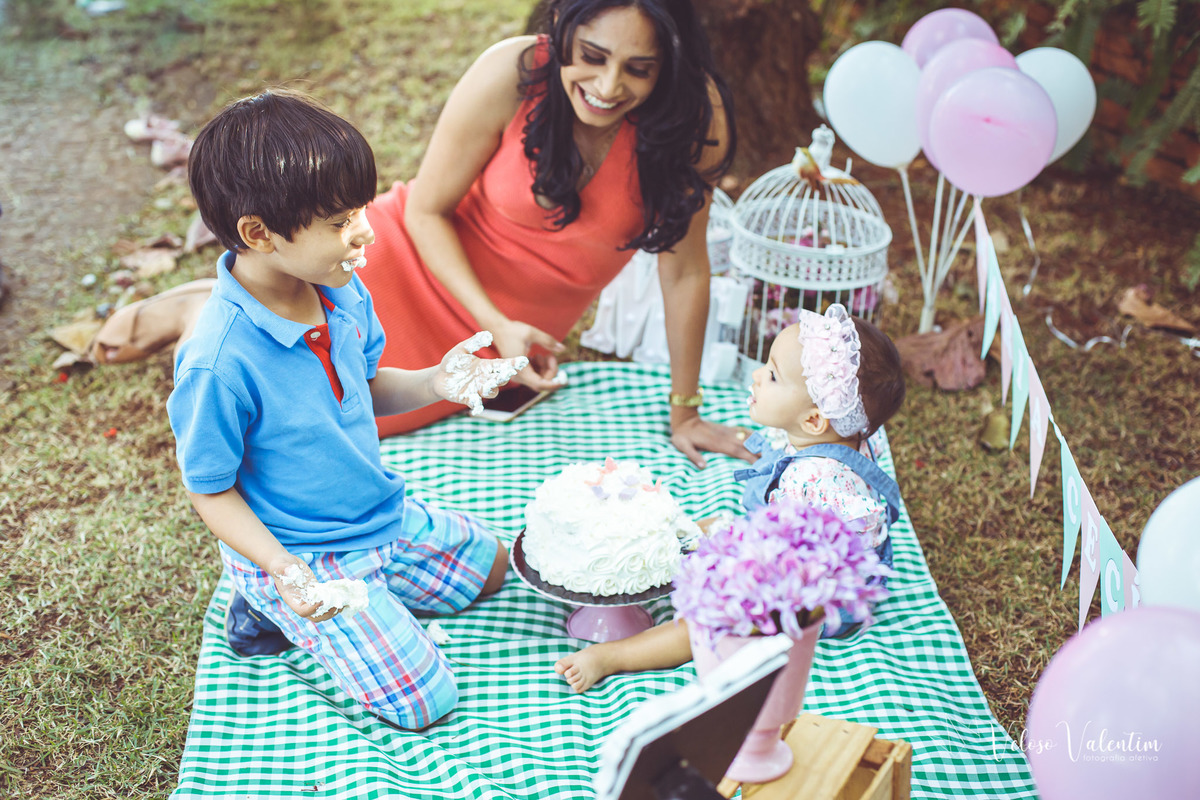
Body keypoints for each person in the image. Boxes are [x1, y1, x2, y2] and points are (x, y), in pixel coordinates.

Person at [92, 0, 752, 469]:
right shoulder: (515, 72)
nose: (608, 86)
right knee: (294, 382)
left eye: (639, 69)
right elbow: (426, 211)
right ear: (561, 29)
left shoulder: (695, 120)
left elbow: (685, 270)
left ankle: (215, 302)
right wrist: (494, 321)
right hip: (411, 262)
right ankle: (202, 304)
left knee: (370, 407)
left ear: (669, 61)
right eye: (592, 57)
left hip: (504, 331)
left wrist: (685, 410)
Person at [168, 88, 527, 730]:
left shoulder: (341, 289)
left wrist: (436, 382)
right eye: (339, 222)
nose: (365, 230)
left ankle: (372, 605)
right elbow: (209, 489)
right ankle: (264, 606)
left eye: (360, 209)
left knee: (498, 567)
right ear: (258, 233)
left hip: (378, 515)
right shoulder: (216, 363)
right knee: (425, 704)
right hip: (305, 556)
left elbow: (362, 386)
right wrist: (282, 569)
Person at [554, 304, 907, 693]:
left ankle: (611, 656)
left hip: (816, 597)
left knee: (709, 620)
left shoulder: (813, 480)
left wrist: (734, 576)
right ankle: (644, 560)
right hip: (798, 550)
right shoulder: (840, 434)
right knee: (700, 530)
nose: (756, 375)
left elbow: (792, 567)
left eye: (771, 375)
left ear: (812, 420)